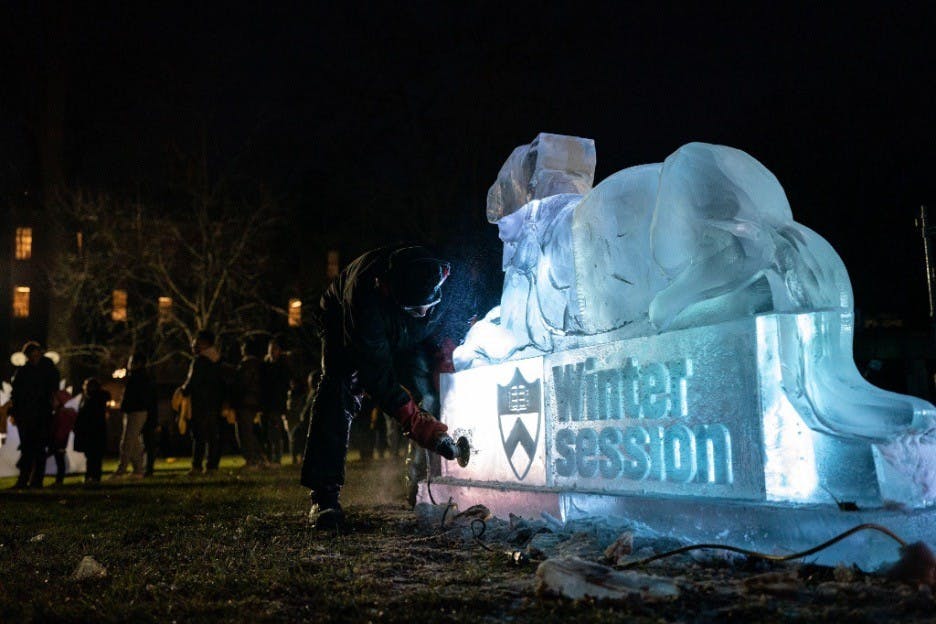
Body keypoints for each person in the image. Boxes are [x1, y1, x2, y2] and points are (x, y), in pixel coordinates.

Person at [300, 244, 453, 529]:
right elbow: (376, 374)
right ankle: (325, 496)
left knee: (428, 392)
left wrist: (447, 349)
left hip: (406, 333)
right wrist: (413, 420)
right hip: (340, 321)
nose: (423, 312)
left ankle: (418, 478)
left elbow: (453, 317)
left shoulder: (436, 274)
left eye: (428, 307)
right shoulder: (364, 301)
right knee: (340, 388)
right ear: (389, 291)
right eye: (416, 308)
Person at [8, 341, 60, 489]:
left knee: (36, 448)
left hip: (40, 414)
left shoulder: (45, 370)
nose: (34, 357)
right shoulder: (24, 372)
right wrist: (15, 412)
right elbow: (16, 394)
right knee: (28, 449)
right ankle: (26, 480)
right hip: (28, 414)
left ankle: (34, 480)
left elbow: (52, 390)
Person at [179, 330, 225, 476]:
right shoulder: (218, 360)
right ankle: (212, 465)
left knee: (199, 436)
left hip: (200, 403)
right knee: (212, 436)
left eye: (197, 341)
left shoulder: (200, 361)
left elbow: (193, 382)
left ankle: (197, 466)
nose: (194, 344)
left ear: (204, 343)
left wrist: (183, 391)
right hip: (214, 403)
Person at [115, 352, 157, 479]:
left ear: (139, 364)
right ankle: (138, 470)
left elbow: (142, 398)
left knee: (127, 442)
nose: (129, 364)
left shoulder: (140, 378)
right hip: (132, 411)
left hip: (137, 411)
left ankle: (121, 471)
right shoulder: (136, 376)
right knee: (134, 443)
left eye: (132, 361)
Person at [234, 336, 266, 469]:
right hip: (253, 401)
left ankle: (253, 459)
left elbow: (242, 383)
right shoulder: (259, 364)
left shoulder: (247, 364)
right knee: (249, 431)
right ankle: (257, 458)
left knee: (245, 431)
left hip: (245, 401)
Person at [73, 377, 110, 487]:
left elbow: (86, 417)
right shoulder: (94, 399)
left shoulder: (92, 400)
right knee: (94, 457)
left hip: (92, 433)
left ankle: (92, 476)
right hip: (95, 433)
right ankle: (93, 476)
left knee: (93, 457)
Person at [260, 335, 291, 464]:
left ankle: (276, 459)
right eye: (270, 349)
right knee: (266, 434)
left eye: (274, 349)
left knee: (275, 433)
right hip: (265, 405)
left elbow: (283, 386)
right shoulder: (265, 365)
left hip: (276, 405)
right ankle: (269, 458)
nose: (272, 351)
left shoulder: (282, 366)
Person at [49, 386, 77, 486]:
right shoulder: (63, 412)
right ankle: (59, 480)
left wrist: (57, 439)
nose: (52, 402)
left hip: (59, 440)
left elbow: (61, 428)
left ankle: (59, 480)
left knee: (59, 460)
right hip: (60, 439)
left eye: (54, 400)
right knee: (59, 460)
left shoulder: (62, 413)